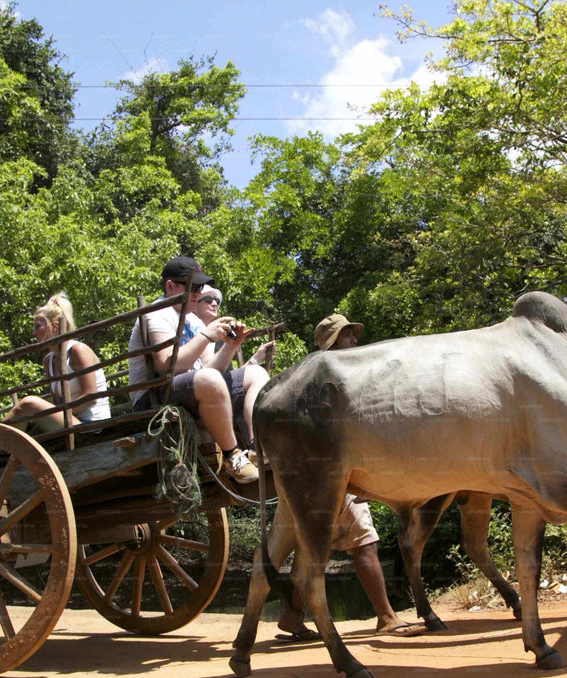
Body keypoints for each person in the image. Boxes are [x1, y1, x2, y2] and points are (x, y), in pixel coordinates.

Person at [275, 312, 415, 639]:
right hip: (333, 472)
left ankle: (293, 615)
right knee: (364, 541)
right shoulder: (327, 377)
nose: (354, 340)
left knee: (316, 550)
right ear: (332, 343)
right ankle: (386, 616)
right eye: (347, 335)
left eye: (353, 334)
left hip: (332, 471)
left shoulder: (328, 376)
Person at [126, 257, 266, 484]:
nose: (197, 293)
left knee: (256, 374)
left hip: (193, 389)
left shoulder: (193, 320)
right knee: (209, 379)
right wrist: (207, 335)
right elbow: (166, 366)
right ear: (170, 286)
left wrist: (231, 346)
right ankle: (233, 456)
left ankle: (256, 450)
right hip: (154, 396)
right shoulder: (156, 314)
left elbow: (211, 369)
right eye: (192, 287)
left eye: (200, 287)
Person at [3, 292, 111, 431]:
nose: (33, 333)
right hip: (70, 422)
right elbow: (58, 403)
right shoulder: (48, 360)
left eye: (38, 326)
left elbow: (90, 398)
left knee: (28, 404)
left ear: (54, 326)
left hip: (92, 424)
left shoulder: (78, 350)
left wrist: (49, 413)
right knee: (29, 411)